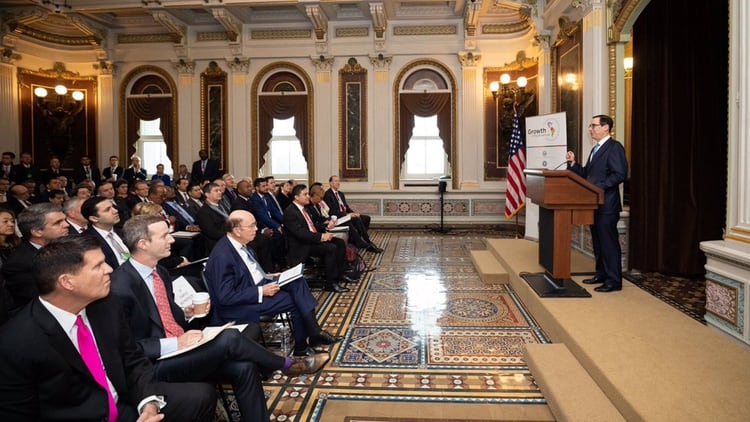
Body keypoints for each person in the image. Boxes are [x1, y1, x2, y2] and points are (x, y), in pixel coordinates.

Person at [110, 215, 328, 421]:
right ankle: (286, 364)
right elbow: (127, 350)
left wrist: (186, 313)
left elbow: (164, 316)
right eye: (164, 236)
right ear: (143, 244)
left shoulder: (160, 273)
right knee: (230, 338)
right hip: (154, 365)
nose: (171, 239)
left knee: (245, 367)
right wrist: (176, 342)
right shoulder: (121, 287)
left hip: (182, 348)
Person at [0, 235, 218, 421]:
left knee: (200, 396)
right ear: (67, 282)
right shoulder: (16, 342)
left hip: (122, 402)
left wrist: (148, 404)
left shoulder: (105, 305)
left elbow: (132, 360)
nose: (110, 269)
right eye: (98, 266)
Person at [204, 210, 343, 356]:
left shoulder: (239, 244)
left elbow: (249, 271)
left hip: (259, 283)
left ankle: (313, 335)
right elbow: (225, 297)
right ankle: (306, 343)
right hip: (241, 303)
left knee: (297, 280)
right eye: (251, 226)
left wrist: (268, 275)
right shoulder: (222, 256)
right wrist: (261, 291)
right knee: (296, 301)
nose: (256, 229)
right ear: (237, 231)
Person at [566, 114, 628, 293]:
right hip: (594, 204)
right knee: (599, 243)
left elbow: (619, 174)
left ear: (606, 127)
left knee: (608, 243)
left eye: (594, 126)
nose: (590, 129)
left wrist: (597, 187)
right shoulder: (595, 149)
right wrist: (574, 164)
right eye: (590, 126)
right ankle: (601, 274)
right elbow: (587, 174)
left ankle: (614, 281)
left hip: (607, 205)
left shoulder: (614, 147)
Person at [284, 184, 351, 293]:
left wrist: (326, 226)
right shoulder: (290, 212)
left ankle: (340, 274)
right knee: (331, 248)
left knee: (339, 242)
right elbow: (300, 233)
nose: (307, 196)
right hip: (301, 245)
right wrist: (321, 237)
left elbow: (312, 226)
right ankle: (330, 283)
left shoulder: (304, 209)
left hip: (310, 240)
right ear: (296, 197)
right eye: (305, 194)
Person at [2, 203, 69, 310]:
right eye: (58, 223)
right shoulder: (19, 264)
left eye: (65, 220)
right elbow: (45, 301)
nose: (66, 225)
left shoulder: (70, 247)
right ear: (37, 232)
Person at [324, 175, 382, 252]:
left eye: (338, 181)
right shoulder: (328, 194)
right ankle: (365, 242)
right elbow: (332, 212)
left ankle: (361, 238)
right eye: (335, 181)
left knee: (366, 218)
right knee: (356, 220)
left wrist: (353, 213)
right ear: (330, 183)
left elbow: (346, 207)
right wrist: (347, 215)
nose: (338, 183)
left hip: (346, 215)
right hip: (338, 217)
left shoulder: (340, 194)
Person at [82, 196, 129, 270]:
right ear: (94, 218)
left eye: (113, 207)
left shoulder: (123, 231)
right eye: (107, 210)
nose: (115, 211)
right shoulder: (87, 240)